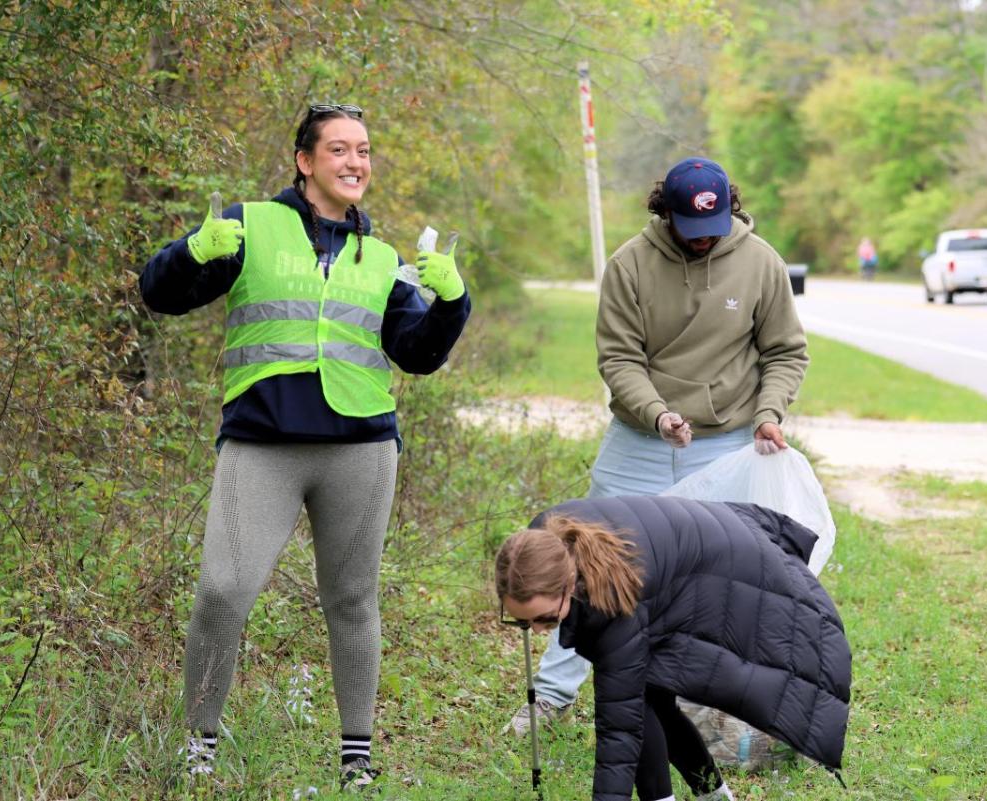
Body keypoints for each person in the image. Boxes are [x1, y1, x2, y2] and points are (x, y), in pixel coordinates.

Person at [140, 103, 471, 789]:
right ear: (305, 160)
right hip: (263, 442)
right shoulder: (250, 224)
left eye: (366, 150)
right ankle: (200, 740)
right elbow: (161, 294)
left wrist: (450, 304)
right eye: (341, 149)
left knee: (352, 599)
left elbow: (414, 355)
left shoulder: (383, 259)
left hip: (360, 447)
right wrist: (190, 253)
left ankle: (357, 756)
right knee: (223, 589)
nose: (357, 163)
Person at [509, 157, 809, 732]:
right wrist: (658, 414)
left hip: (728, 442)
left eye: (715, 228)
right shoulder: (629, 265)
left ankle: (717, 706)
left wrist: (769, 414)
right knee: (591, 560)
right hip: (640, 440)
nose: (705, 241)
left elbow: (785, 353)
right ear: (664, 213)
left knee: (727, 576)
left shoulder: (761, 262)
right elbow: (619, 358)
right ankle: (551, 697)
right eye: (692, 231)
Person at [496, 495, 851, 801]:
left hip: (728, 569)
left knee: (646, 692)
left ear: (569, 584)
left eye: (544, 618)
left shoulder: (614, 603)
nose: (537, 630)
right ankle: (714, 794)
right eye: (522, 621)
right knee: (652, 689)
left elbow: (619, 731)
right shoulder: (533, 552)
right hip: (681, 553)